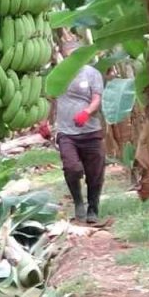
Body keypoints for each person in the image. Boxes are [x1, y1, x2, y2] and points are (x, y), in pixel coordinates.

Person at [50, 41, 105, 223]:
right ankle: (78, 202)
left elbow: (97, 98)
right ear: (64, 56)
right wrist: (44, 123)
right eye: (69, 55)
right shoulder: (58, 75)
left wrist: (87, 112)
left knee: (95, 173)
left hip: (91, 132)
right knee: (71, 167)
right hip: (66, 132)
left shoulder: (92, 74)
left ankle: (93, 208)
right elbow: (50, 99)